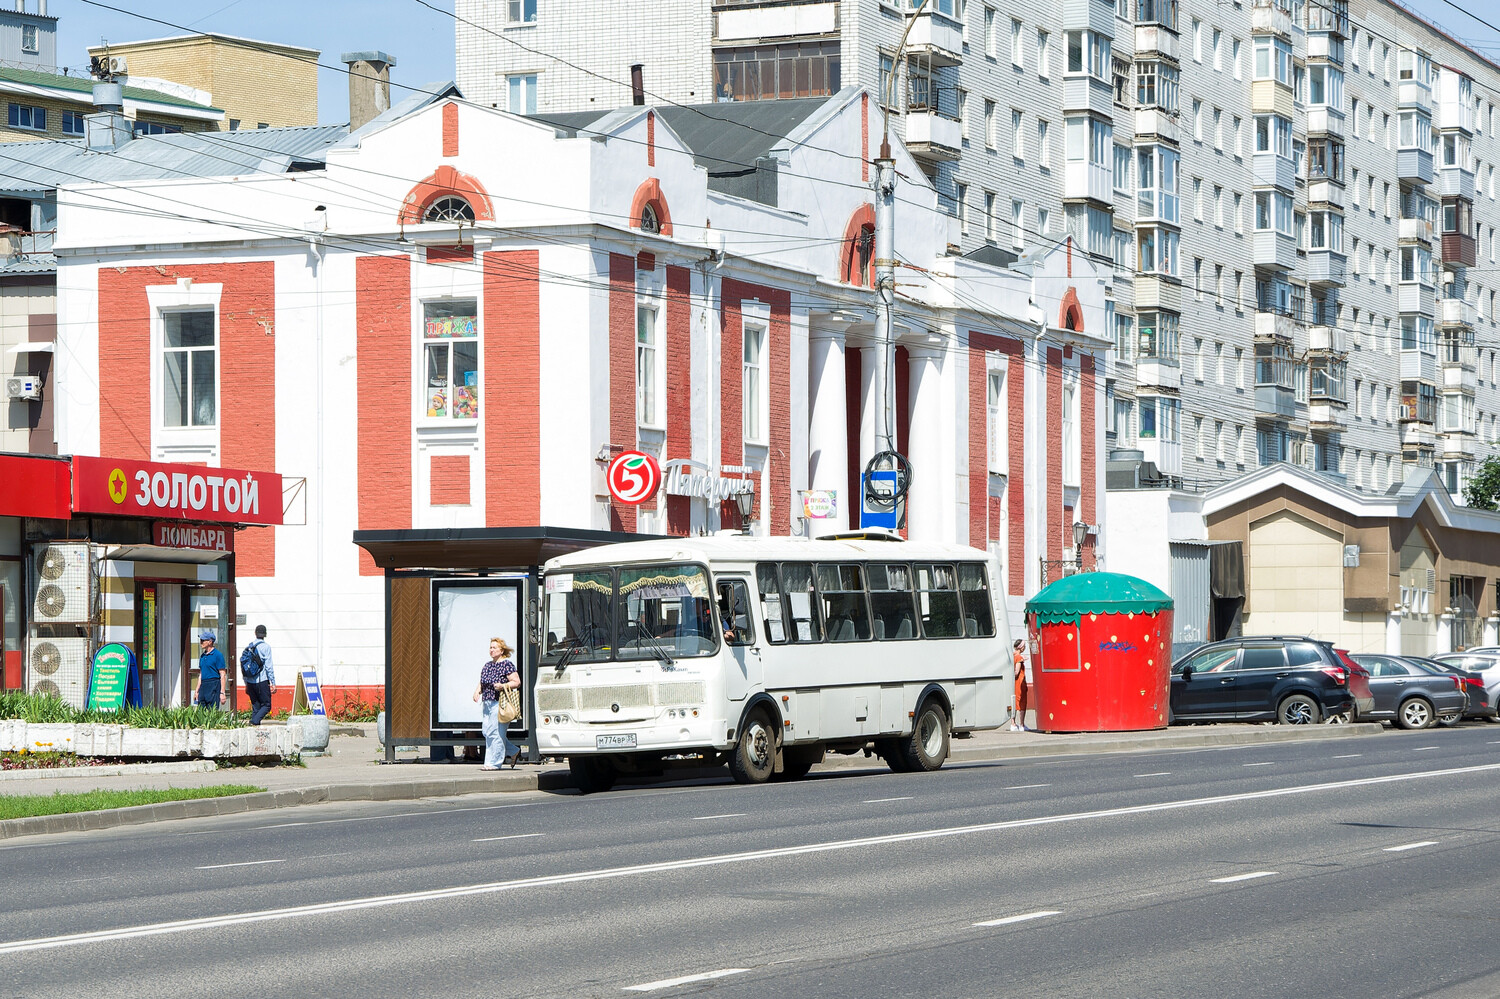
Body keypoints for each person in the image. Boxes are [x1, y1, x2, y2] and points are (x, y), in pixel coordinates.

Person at [471, 637, 521, 770]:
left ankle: (493, 763)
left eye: (494, 647)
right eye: (490, 647)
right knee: (487, 732)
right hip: (487, 702)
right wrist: (477, 692)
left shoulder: (506, 664)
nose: (491, 650)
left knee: (496, 733)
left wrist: (503, 685)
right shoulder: (487, 665)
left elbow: (516, 682)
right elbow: (482, 682)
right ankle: (513, 751)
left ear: (501, 650)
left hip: (500, 702)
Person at [243, 625, 277, 726]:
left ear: (255, 633)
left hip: (250, 681)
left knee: (256, 706)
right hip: (262, 680)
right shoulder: (266, 647)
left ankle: (253, 729)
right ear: (265, 635)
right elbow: (268, 667)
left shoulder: (249, 647)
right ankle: (253, 722)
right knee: (266, 705)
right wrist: (273, 682)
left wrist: (246, 682)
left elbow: (244, 666)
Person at [195, 630, 226, 710]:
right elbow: (201, 674)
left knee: (212, 710)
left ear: (210, 642)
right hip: (203, 685)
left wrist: (222, 693)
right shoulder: (202, 656)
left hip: (213, 684)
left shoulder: (218, 655)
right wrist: (197, 690)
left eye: (202, 640)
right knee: (201, 710)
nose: (200, 642)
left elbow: (222, 674)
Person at [1010, 639, 1030, 732]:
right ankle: (1021, 724)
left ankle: (1013, 723)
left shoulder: (1012, 655)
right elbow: (1017, 672)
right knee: (1021, 702)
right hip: (1019, 682)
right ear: (1021, 647)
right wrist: (1021, 660)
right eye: (1024, 646)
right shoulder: (1018, 657)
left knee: (1013, 702)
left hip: (1013, 683)